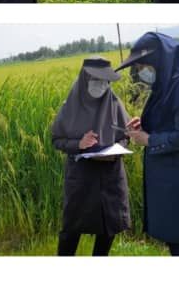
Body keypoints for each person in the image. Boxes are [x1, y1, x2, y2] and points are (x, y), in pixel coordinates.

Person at [119, 32, 179, 256]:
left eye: (143, 65)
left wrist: (149, 139)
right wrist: (145, 125)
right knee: (176, 244)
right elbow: (169, 120)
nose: (141, 71)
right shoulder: (167, 82)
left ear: (157, 60)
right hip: (169, 180)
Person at [50, 58, 132, 256]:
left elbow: (125, 136)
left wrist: (116, 149)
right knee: (71, 229)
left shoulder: (113, 102)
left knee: (108, 226)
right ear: (85, 78)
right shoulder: (70, 105)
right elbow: (56, 140)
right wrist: (78, 144)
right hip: (82, 179)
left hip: (110, 177)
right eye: (97, 80)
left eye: (106, 82)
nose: (101, 86)